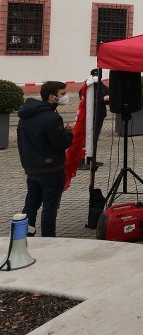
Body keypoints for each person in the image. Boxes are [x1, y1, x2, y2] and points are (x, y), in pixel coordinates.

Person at [17, 81, 73, 237]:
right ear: (51, 96)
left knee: (31, 205)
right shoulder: (52, 118)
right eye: (62, 94)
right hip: (51, 170)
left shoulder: (26, 114)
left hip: (32, 168)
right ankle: (49, 240)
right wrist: (68, 134)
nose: (65, 97)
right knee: (49, 207)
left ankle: (23, 237)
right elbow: (60, 144)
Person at [79, 69, 109, 170]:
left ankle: (92, 159)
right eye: (95, 75)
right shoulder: (87, 87)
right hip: (88, 118)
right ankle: (82, 160)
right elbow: (86, 101)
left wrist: (108, 98)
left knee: (94, 139)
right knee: (87, 139)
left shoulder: (102, 86)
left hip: (99, 116)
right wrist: (102, 100)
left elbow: (108, 95)